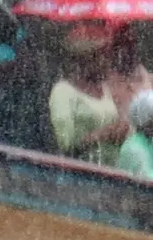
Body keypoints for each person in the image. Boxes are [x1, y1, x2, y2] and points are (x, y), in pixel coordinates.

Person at [48, 24, 128, 158]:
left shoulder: (105, 90)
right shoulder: (63, 92)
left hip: (110, 173)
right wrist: (99, 136)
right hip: (81, 175)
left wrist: (120, 131)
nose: (108, 62)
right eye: (104, 57)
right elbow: (65, 146)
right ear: (86, 59)